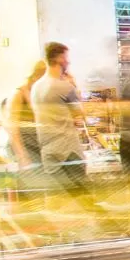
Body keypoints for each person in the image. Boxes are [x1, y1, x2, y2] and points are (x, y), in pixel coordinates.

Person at [30, 42, 84, 180]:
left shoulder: (36, 87)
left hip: (48, 150)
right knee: (79, 196)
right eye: (66, 57)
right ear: (59, 59)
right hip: (68, 151)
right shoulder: (64, 86)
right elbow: (80, 114)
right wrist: (74, 85)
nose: (68, 61)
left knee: (56, 197)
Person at [3, 60, 45, 167]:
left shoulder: (38, 94)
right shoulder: (18, 95)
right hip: (23, 148)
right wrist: (22, 155)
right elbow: (12, 128)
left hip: (37, 147)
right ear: (36, 76)